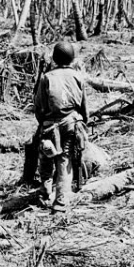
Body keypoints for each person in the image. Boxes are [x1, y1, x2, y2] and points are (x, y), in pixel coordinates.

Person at [34, 41, 90, 213]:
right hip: (72, 123)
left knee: (46, 158)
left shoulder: (46, 78)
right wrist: (83, 122)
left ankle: (45, 192)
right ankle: (61, 201)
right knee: (64, 161)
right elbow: (84, 105)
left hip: (50, 125)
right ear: (72, 59)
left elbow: (38, 107)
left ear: (55, 59)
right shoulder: (78, 77)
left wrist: (43, 124)